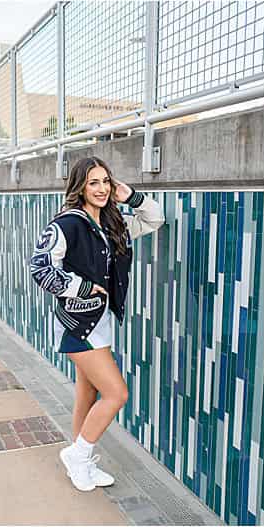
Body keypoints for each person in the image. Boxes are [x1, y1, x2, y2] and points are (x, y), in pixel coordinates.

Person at [27, 156, 166, 492]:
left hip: (99, 322)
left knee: (87, 394)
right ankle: (78, 455)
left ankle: (82, 464)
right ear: (79, 187)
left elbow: (155, 218)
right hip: (78, 324)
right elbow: (39, 268)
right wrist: (82, 287)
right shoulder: (67, 223)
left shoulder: (112, 222)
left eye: (106, 181)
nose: (102, 188)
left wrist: (128, 196)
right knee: (117, 393)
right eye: (94, 182)